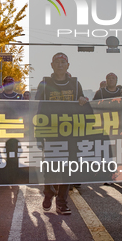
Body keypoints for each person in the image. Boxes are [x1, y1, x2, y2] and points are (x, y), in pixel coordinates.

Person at [35, 52, 89, 215]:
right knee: (50, 167)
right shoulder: (44, 83)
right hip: (50, 131)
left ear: (68, 66)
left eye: (63, 62)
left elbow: (82, 103)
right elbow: (37, 107)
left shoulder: (75, 83)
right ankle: (48, 191)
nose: (60, 64)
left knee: (68, 167)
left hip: (70, 132)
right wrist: (38, 133)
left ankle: (62, 202)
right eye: (56, 62)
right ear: (52, 65)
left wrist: (83, 101)